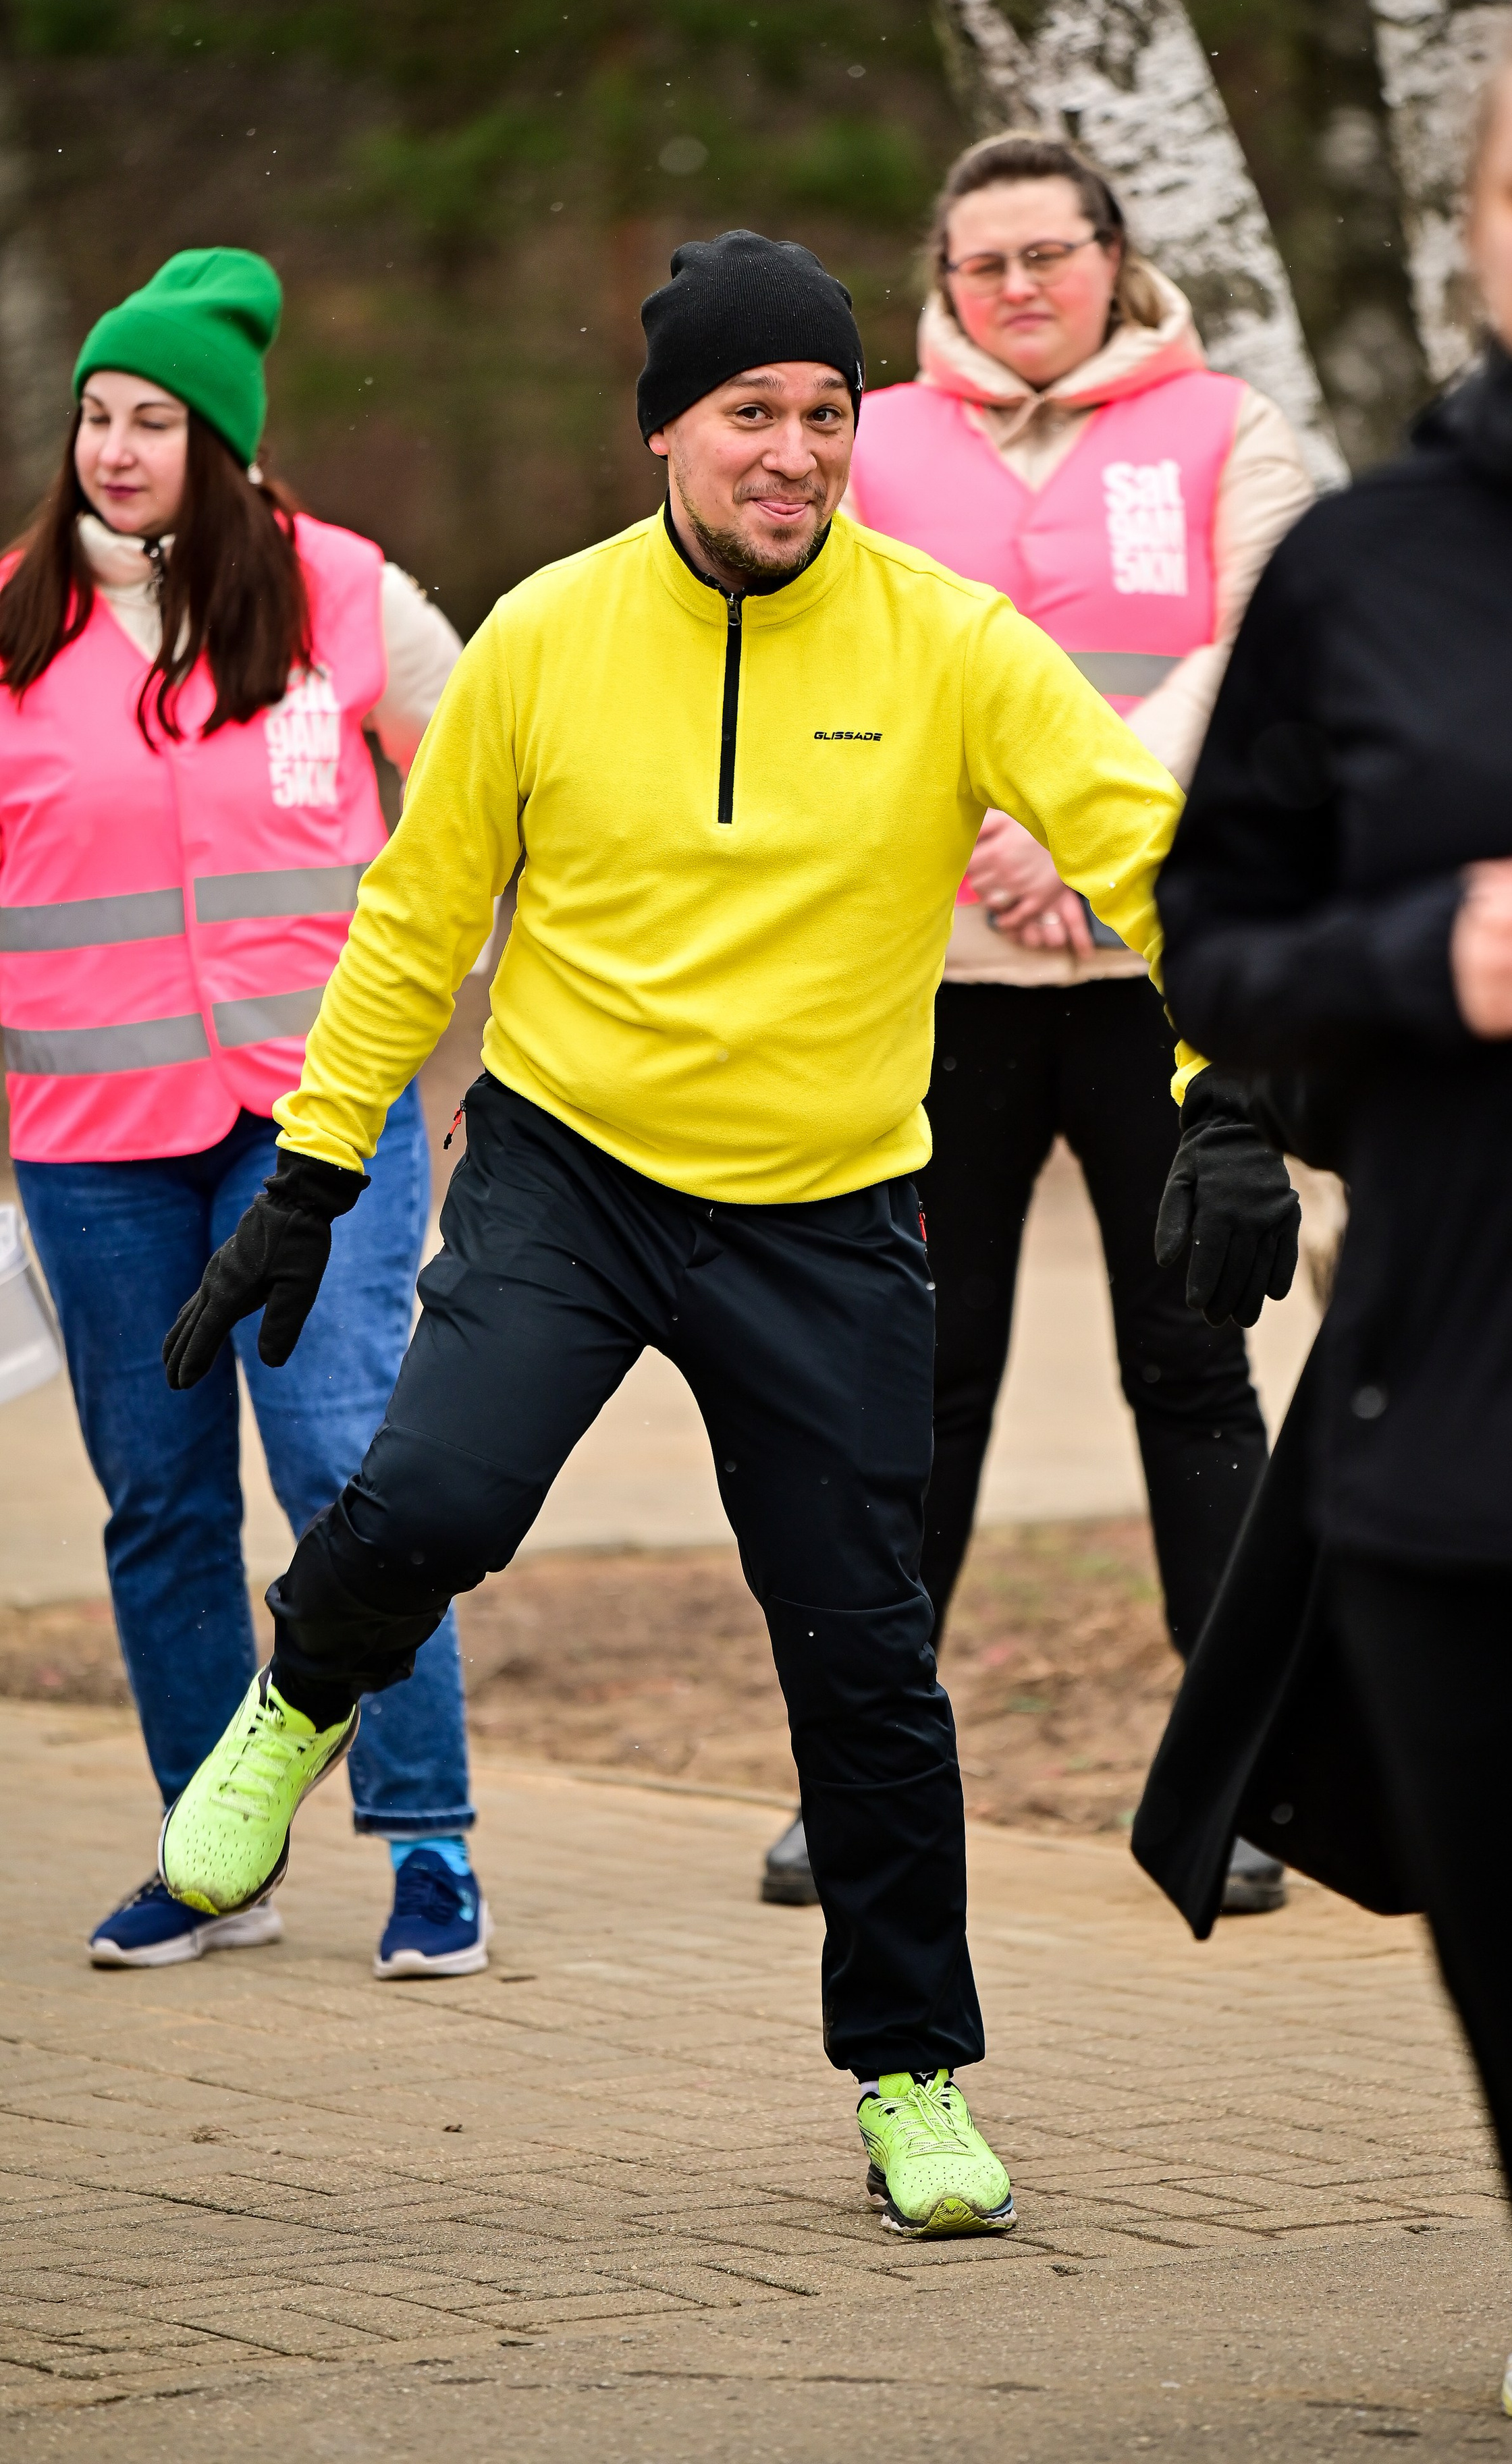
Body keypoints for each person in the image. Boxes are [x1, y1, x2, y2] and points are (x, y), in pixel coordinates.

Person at [143, 229, 1287, 2239]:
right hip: (573, 1174)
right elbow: (421, 919)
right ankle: (300, 1694)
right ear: (665, 426)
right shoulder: (545, 637)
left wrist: (1236, 1092)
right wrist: (316, 1169)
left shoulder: (947, 639)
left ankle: (912, 2077)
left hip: (832, 1212)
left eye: (828, 416)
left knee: (866, 1667)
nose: (796, 453)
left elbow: (1147, 850)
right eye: (751, 412)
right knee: (428, 1498)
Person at [1153, 0, 1512, 2460]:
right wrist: (1419, 958)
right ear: (1478, 221)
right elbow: (1216, 943)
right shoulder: (1367, 573)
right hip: (1445, 1472)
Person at [760, 134, 1312, 1919]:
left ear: (1109, 254)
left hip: (1167, 982)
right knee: (916, 1377)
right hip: (942, 986)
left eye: (1047, 253)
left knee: (1193, 1366)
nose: (1016, 286)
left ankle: (1241, 1790)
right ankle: (851, 1786)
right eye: (982, 258)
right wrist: (973, 837)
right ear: (947, 270)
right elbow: (822, 661)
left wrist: (1082, 818)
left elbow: (1269, 648)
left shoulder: (1231, 428)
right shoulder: (877, 439)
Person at [0, 248, 485, 1979]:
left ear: (226, 442)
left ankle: (429, 1841)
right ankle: (218, 1856)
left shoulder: (347, 595)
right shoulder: (17, 616)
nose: (116, 448)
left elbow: (495, 792)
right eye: (96, 416)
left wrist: (479, 1012)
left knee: (358, 1472)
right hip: (90, 1148)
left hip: (315, 1130)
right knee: (161, 1503)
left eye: (155, 420)